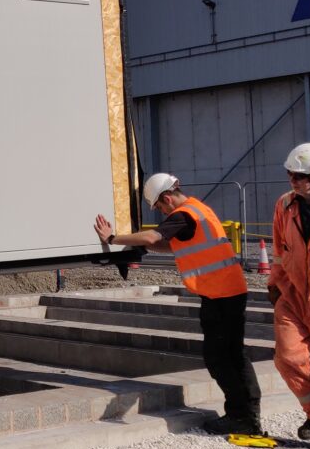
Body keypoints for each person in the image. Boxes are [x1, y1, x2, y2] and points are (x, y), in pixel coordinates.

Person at [94, 173, 261, 435]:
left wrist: (113, 238)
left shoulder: (183, 214)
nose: (161, 212)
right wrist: (145, 249)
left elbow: (151, 237)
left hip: (221, 296)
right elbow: (172, 246)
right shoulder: (198, 210)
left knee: (222, 358)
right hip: (225, 292)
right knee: (231, 356)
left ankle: (243, 417)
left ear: (167, 198)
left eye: (159, 207)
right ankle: (245, 414)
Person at [269, 143, 310, 440]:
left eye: (298, 176)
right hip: (294, 294)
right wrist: (274, 283)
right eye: (290, 175)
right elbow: (280, 250)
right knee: (288, 358)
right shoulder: (284, 206)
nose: (292, 182)